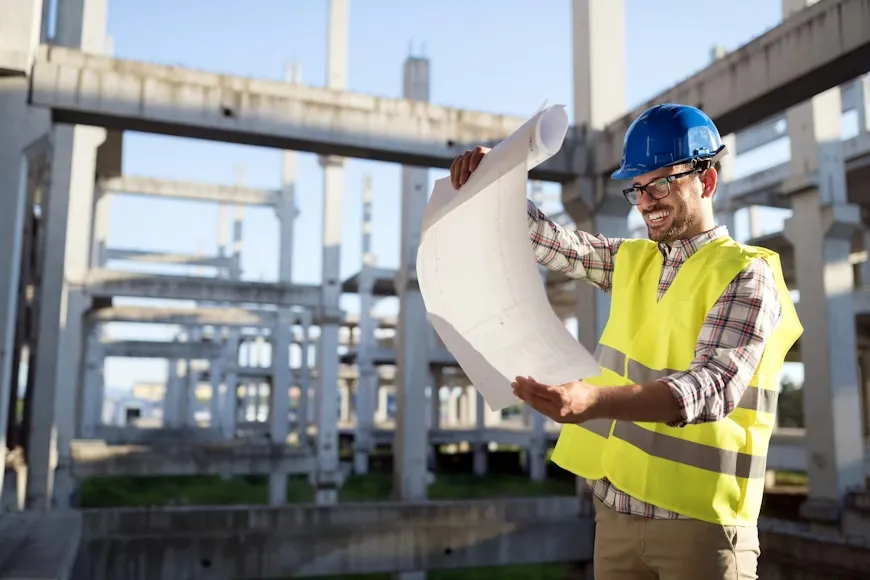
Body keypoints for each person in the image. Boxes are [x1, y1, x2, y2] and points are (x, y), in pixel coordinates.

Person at [449, 103, 802, 580]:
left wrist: (595, 400)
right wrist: (496, 183)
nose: (645, 201)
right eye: (636, 188)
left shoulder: (745, 273)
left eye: (660, 184)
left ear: (707, 181)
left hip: (699, 529)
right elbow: (553, 242)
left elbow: (716, 385)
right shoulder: (632, 260)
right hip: (614, 515)